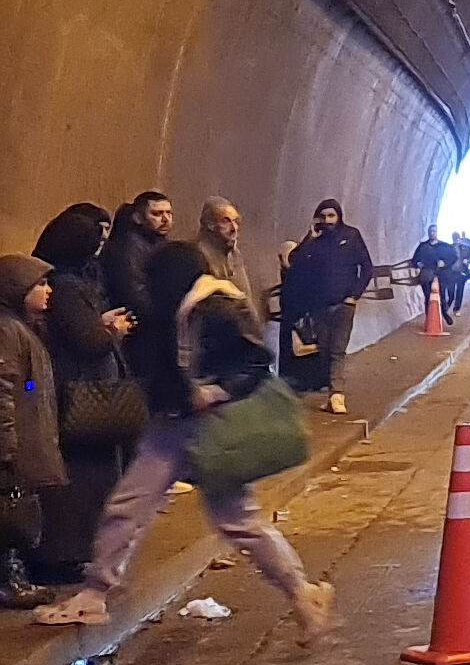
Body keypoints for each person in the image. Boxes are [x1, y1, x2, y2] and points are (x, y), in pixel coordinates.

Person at [34, 240, 333, 639]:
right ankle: (302, 593)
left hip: (202, 423)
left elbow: (256, 361)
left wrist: (213, 392)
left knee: (146, 507)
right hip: (178, 421)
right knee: (230, 519)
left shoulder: (215, 306)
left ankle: (94, 594)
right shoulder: (188, 305)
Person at [32, 204, 136, 587]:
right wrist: (113, 330)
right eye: (97, 237)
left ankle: (77, 552)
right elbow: (88, 340)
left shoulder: (67, 281)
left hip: (77, 392)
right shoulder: (68, 285)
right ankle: (67, 555)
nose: (101, 246)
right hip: (80, 396)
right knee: (81, 483)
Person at [0, 256, 67, 607]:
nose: (48, 290)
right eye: (39, 284)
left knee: (19, 511)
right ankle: (10, 582)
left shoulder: (23, 326)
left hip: (25, 433)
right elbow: (3, 388)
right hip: (15, 440)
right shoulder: (8, 330)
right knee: (11, 516)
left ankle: (15, 577)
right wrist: (6, 444)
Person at [280, 200, 374, 414]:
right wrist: (309, 238)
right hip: (319, 306)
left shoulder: (351, 236)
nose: (328, 221)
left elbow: (367, 267)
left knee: (337, 350)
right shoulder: (317, 241)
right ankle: (333, 395)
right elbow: (294, 260)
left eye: (332, 216)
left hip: (343, 305)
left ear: (339, 216)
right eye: (323, 216)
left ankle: (337, 395)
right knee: (323, 350)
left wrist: (354, 296)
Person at [101, 191, 175, 321]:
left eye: (169, 213)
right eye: (157, 214)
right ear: (137, 218)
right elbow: (134, 293)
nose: (165, 219)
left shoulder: (159, 242)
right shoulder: (128, 247)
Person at [195, 197, 250, 291]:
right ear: (210, 224)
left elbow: (244, 294)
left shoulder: (234, 255)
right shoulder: (198, 255)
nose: (234, 228)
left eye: (236, 221)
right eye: (226, 221)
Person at [410, 227, 461, 316]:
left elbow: (454, 257)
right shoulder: (423, 246)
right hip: (427, 274)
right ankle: (429, 318)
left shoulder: (445, 246)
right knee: (428, 297)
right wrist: (418, 264)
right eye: (430, 231)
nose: (432, 233)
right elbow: (415, 259)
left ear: (437, 232)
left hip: (441, 274)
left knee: (442, 298)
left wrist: (445, 263)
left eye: (434, 231)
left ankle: (443, 314)